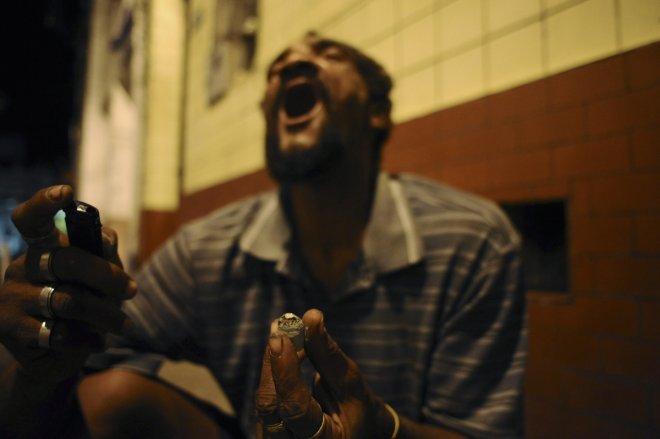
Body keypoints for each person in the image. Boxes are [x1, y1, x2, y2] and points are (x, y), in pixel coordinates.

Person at [0, 34, 526, 438]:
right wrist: (47, 343)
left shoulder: (472, 240)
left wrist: (385, 430)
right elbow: (80, 363)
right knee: (113, 396)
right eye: (275, 71)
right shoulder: (205, 251)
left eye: (327, 53)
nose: (288, 65)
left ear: (377, 112)